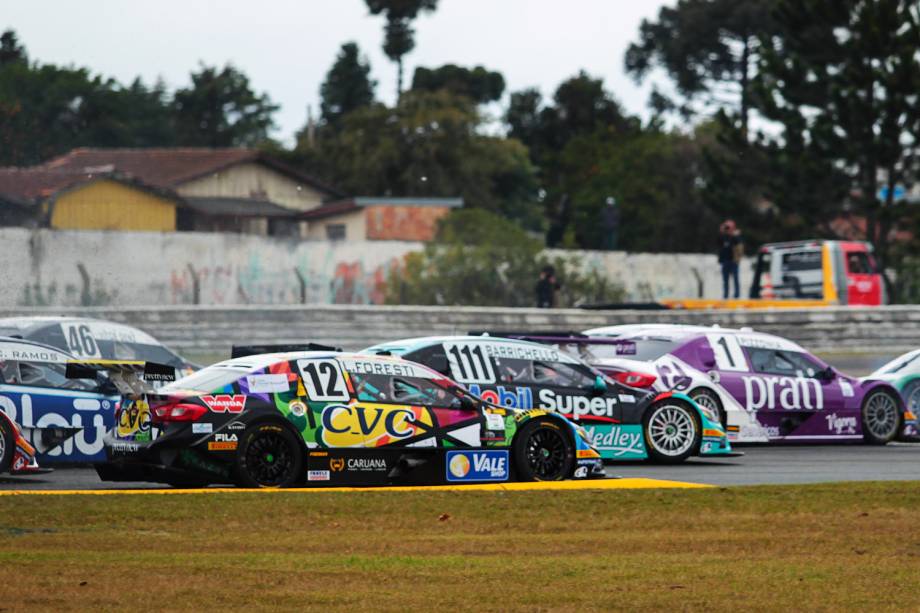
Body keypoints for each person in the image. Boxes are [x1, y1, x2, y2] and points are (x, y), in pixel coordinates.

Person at [717, 220, 743, 299]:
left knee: (735, 279)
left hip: (733, 261)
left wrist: (737, 260)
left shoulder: (735, 237)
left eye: (728, 227)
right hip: (725, 261)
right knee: (725, 280)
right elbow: (719, 243)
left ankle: (736, 295)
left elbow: (740, 248)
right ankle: (725, 295)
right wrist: (721, 231)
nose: (727, 229)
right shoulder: (723, 237)